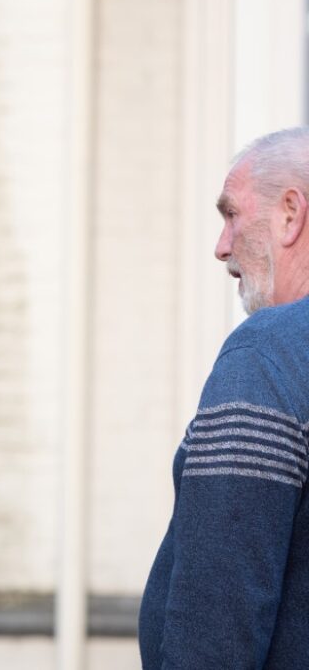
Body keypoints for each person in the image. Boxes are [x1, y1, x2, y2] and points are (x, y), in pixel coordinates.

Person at [139, 127, 309, 668]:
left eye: (231, 214)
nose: (221, 247)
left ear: (290, 213)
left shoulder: (269, 355)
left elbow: (217, 620)